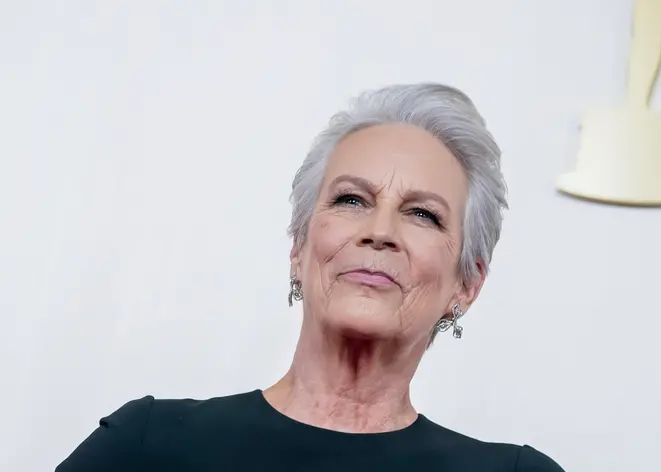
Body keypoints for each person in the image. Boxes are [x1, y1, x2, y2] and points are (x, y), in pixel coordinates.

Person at [56, 83, 566, 471]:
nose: (379, 231)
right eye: (352, 200)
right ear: (299, 248)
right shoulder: (145, 447)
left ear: (467, 285)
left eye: (422, 215)